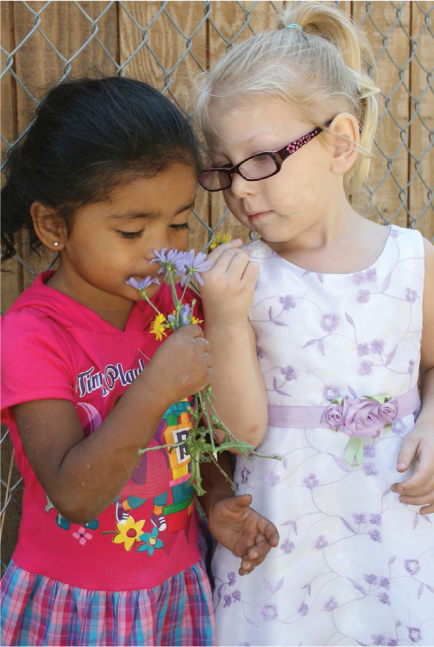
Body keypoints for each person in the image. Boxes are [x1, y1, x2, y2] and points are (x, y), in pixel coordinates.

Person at [0, 76, 279, 647]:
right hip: (75, 604)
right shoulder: (31, 336)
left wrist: (216, 500)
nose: (160, 249)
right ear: (54, 225)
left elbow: (190, 437)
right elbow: (74, 495)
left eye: (178, 223)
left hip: (175, 586)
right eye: (132, 229)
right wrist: (153, 388)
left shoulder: (176, 307)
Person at [194, 2, 434, 645]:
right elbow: (241, 430)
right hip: (283, 543)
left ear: (341, 142)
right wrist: (225, 320)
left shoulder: (412, 260)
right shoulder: (242, 280)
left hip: (394, 535)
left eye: (261, 159)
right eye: (224, 167)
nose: (241, 188)